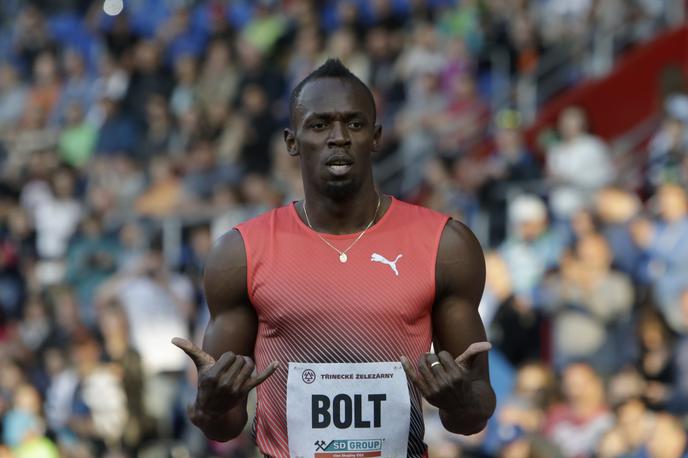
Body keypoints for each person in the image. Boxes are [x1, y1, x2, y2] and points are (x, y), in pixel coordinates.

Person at [172, 58, 495, 457]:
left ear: (376, 137)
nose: (338, 137)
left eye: (355, 124)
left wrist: (459, 399)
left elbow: (474, 414)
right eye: (320, 125)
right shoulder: (240, 252)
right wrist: (209, 404)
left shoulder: (445, 246)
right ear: (292, 141)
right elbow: (222, 426)